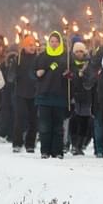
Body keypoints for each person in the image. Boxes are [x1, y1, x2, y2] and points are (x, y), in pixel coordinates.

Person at [34, 31, 71, 159]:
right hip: (44, 96)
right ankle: (45, 150)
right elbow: (33, 73)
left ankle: (58, 150)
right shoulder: (42, 57)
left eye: (57, 41)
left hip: (59, 96)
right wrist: (37, 73)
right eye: (52, 41)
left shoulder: (65, 57)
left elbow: (73, 75)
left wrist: (69, 75)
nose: (54, 44)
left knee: (58, 126)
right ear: (49, 43)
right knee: (45, 126)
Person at [11, 35, 39, 153]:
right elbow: (11, 76)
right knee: (20, 118)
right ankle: (17, 142)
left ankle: (30, 143)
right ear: (24, 46)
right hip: (21, 93)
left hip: (34, 92)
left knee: (33, 120)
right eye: (30, 45)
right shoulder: (18, 58)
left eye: (33, 45)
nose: (32, 47)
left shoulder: (38, 59)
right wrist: (14, 72)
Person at [68, 41, 94, 155]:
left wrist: (83, 76)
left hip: (85, 97)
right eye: (77, 51)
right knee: (74, 120)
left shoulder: (88, 63)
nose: (79, 53)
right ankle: (73, 143)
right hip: (74, 96)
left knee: (84, 121)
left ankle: (80, 144)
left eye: (81, 51)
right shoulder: (70, 63)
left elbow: (91, 79)